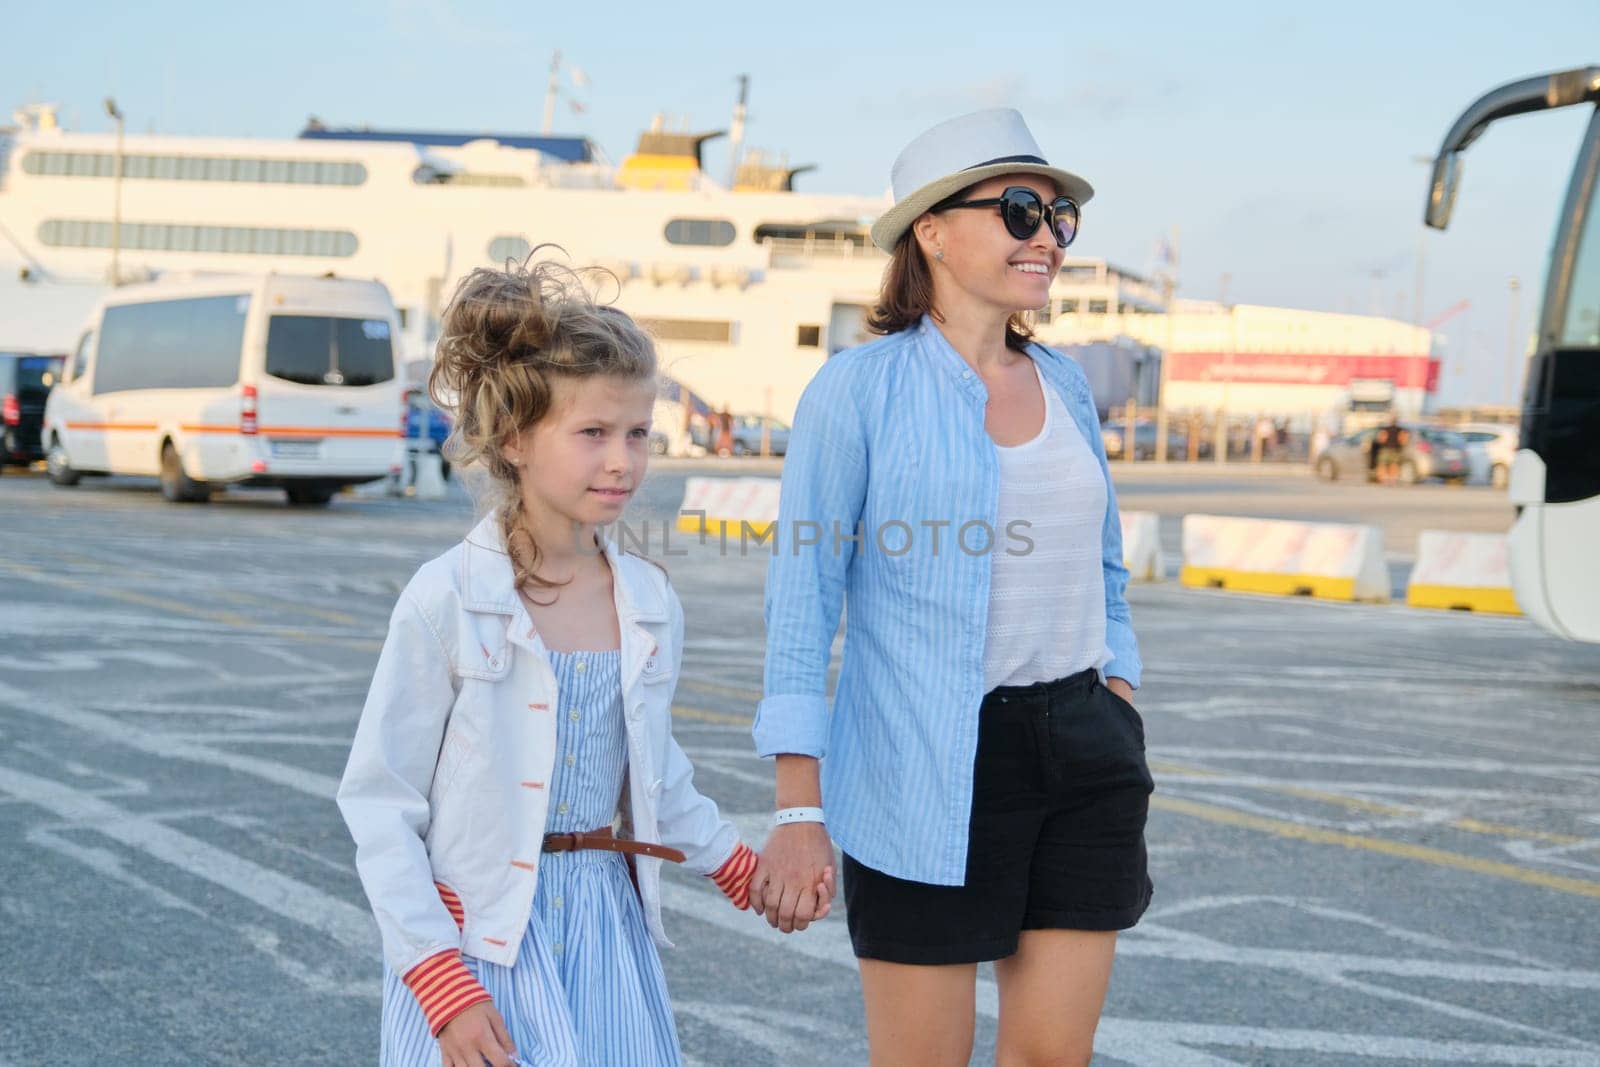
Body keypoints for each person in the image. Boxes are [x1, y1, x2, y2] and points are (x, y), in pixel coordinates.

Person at [750, 109, 1152, 1066]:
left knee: (1054, 1057)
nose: (1048, 237)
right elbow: (802, 599)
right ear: (931, 228)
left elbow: (1105, 564)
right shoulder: (856, 391)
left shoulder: (1067, 387)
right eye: (1021, 211)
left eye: (1061, 219)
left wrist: (1121, 693)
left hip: (1083, 747)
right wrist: (798, 808)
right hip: (922, 760)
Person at [337, 258, 806, 1067]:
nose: (623, 461)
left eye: (637, 434)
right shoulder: (445, 598)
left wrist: (736, 863)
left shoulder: (649, 600)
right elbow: (381, 804)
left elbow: (650, 768)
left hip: (602, 932)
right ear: (515, 439)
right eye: (593, 433)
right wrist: (438, 978)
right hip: (478, 943)